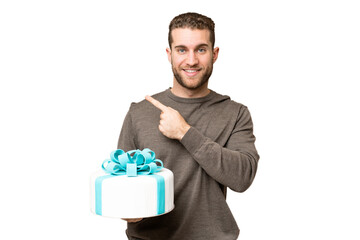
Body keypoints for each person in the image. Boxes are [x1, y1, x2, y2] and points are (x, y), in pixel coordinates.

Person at [118, 12, 259, 240]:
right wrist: (128, 210)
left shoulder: (235, 113)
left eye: (201, 50)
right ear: (169, 54)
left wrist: (184, 132)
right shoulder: (140, 112)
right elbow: (124, 185)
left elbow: (242, 178)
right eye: (182, 50)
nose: (191, 60)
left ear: (214, 54)